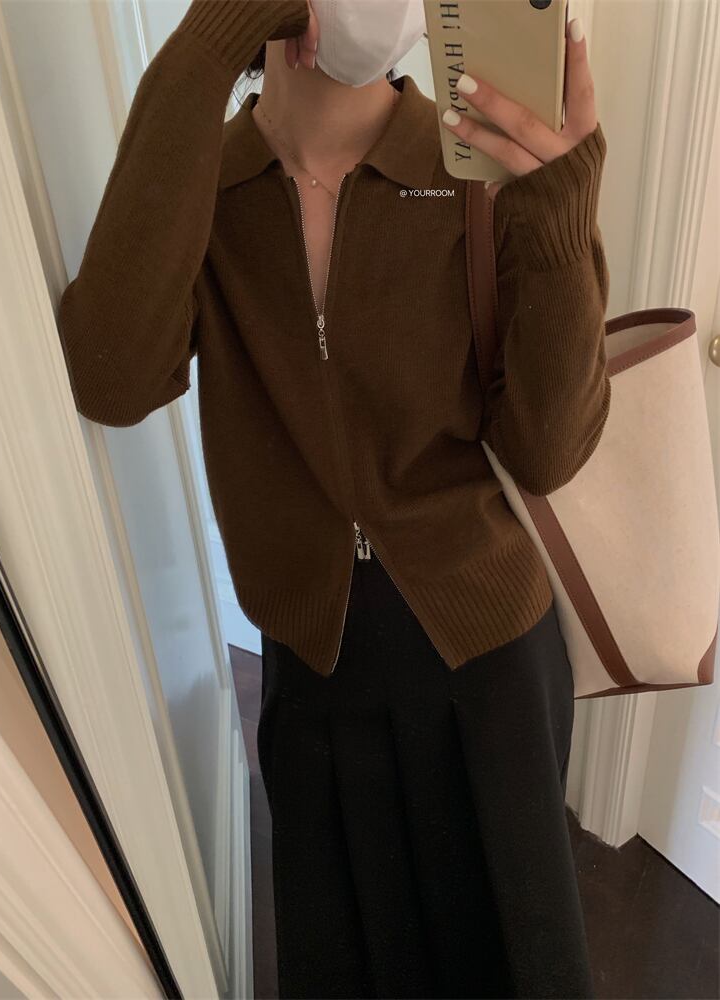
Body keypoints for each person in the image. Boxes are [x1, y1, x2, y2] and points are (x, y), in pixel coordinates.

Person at [57, 1, 611, 996]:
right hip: (313, 664)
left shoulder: (477, 165)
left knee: (512, 963)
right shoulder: (203, 184)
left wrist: (562, 207)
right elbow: (110, 379)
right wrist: (207, 47)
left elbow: (545, 453)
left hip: (486, 652)